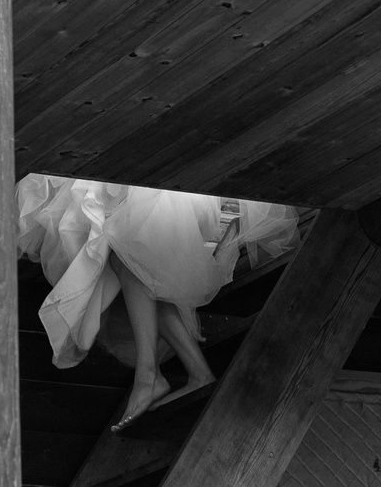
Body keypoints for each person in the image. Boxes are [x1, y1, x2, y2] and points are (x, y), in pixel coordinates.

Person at [16, 176, 300, 425]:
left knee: (132, 256)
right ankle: (188, 374)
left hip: (195, 186)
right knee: (141, 263)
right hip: (172, 187)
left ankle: (150, 376)